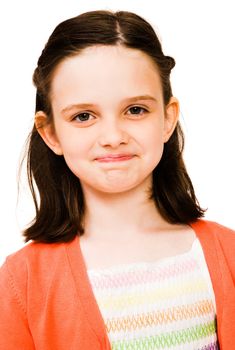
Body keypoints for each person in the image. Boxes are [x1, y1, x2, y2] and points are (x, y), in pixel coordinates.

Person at [0, 9, 234, 350]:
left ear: (167, 119)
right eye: (83, 116)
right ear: (50, 133)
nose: (112, 136)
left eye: (135, 110)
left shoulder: (228, 253)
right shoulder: (21, 282)